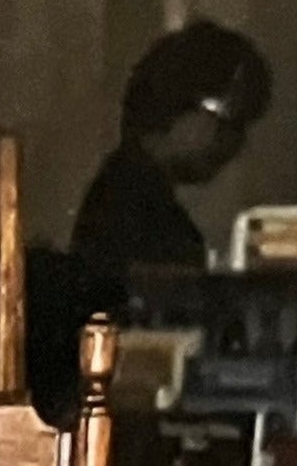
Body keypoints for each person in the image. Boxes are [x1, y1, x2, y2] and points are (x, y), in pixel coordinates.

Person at [71, 20, 273, 282]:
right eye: (229, 124)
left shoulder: (125, 192)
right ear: (182, 106)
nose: (236, 144)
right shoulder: (137, 211)